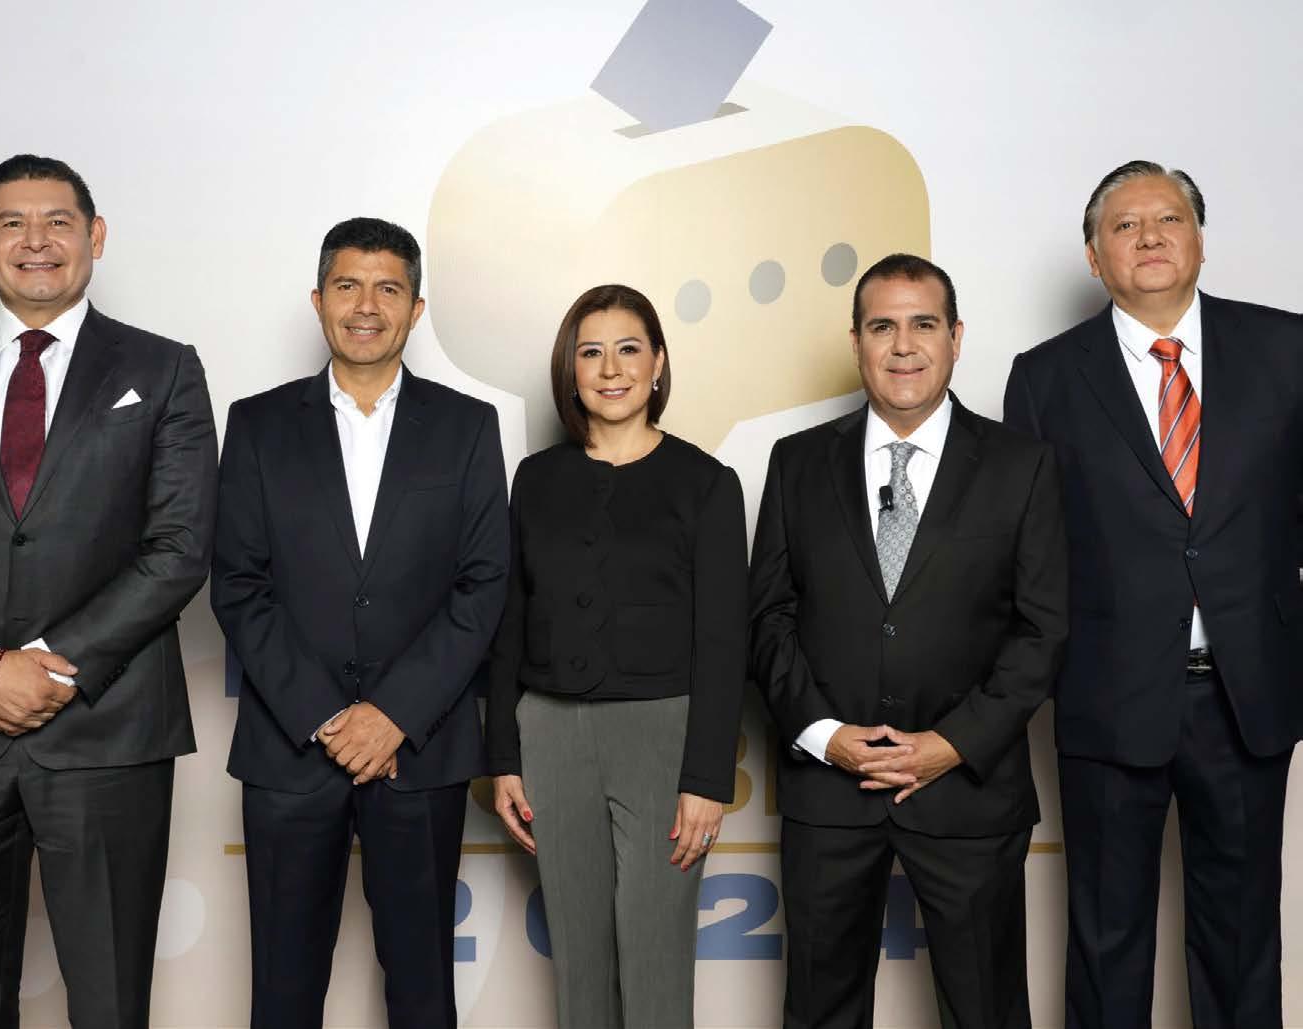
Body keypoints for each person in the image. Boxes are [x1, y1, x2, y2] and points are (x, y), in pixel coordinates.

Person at [0, 154, 218, 1028]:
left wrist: (46, 664)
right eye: (12, 222)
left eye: (59, 221)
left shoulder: (165, 369)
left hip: (107, 732)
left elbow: (180, 547)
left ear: (95, 235)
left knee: (109, 1002)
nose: (37, 241)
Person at [1004, 160, 1303, 1028]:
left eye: (1168, 219)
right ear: (1094, 257)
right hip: (1107, 697)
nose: (1149, 237)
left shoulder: (1286, 349)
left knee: (1242, 937)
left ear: (1199, 239)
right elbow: (1030, 552)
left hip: (1246, 694)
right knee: (1106, 941)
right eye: (1124, 225)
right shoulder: (1045, 377)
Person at [751, 254, 1068, 1029]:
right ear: (856, 342)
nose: (903, 345)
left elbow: (1043, 630)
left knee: (987, 1010)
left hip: (969, 792)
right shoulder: (797, 462)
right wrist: (826, 736)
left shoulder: (1021, 466)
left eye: (923, 324)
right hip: (830, 794)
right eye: (882, 326)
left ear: (955, 338)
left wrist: (951, 744)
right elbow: (768, 619)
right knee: (819, 1012)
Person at [210, 216, 508, 1029]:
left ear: (416, 309)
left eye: (388, 288)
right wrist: (325, 716)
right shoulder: (259, 423)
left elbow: (483, 583)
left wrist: (393, 714)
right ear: (318, 300)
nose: (366, 305)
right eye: (347, 285)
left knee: (421, 993)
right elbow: (238, 584)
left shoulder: (467, 425)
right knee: (282, 993)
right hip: (289, 747)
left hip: (419, 750)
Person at [485, 283, 747, 1029]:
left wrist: (706, 780)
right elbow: (509, 622)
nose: (610, 368)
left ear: (658, 363)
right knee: (579, 964)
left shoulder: (706, 483)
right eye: (590, 352)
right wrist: (503, 756)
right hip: (550, 735)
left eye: (629, 349)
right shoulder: (536, 479)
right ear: (569, 372)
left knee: (655, 961)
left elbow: (725, 641)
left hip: (663, 738)